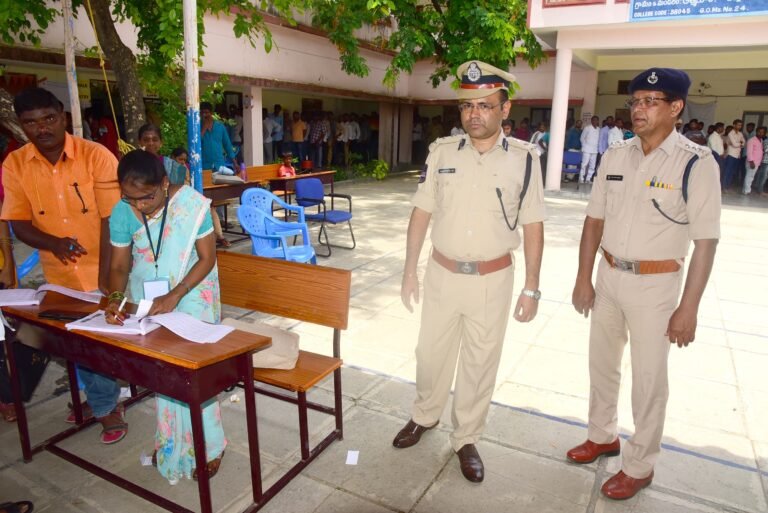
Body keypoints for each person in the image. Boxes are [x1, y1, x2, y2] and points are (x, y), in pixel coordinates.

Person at [568, 68, 720, 500]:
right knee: (602, 365)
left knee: (649, 380)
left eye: (651, 101)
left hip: (656, 287)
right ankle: (602, 436)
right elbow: (593, 220)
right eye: (635, 101)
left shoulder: (695, 162)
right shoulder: (616, 156)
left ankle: (640, 465)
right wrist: (583, 278)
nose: (639, 109)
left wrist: (688, 308)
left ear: (676, 108)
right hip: (609, 276)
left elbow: (706, 242)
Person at [394, 61, 545, 483]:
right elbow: (421, 212)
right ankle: (425, 416)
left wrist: (532, 287)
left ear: (504, 108)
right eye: (467, 106)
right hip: (442, 274)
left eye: (484, 105)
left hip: (493, 279)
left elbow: (533, 224)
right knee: (430, 354)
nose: (474, 114)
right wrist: (410, 270)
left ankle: (466, 438)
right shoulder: (442, 152)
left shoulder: (524, 159)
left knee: (480, 363)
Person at [1, 87, 126, 444]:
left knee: (97, 342)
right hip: (59, 275)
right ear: (22, 127)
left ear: (63, 117)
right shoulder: (16, 164)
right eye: (31, 123)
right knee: (74, 343)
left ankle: (104, 404)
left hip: (106, 266)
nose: (42, 128)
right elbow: (18, 221)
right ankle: (103, 400)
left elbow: (111, 219)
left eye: (49, 119)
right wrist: (53, 243)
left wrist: (106, 274)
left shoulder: (96, 155)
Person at [104, 149, 226, 484]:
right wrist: (115, 298)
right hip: (149, 298)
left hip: (192, 292)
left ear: (163, 183)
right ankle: (173, 442)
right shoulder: (124, 211)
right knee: (165, 374)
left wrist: (176, 294)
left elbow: (206, 259)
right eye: (131, 199)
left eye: (147, 197)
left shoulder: (192, 205)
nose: (140, 206)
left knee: (195, 372)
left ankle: (211, 446)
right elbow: (118, 265)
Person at [200, 101, 237, 173]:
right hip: (204, 165)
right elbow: (195, 145)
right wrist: (204, 128)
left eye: (206, 112)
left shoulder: (220, 126)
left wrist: (235, 163)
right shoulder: (197, 127)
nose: (204, 115)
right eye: (202, 113)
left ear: (211, 113)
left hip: (219, 164)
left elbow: (227, 145)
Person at [743, 126, 766, 195]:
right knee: (749, 176)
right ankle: (747, 191)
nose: (761, 133)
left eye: (763, 132)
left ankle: (746, 190)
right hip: (752, 162)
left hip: (757, 162)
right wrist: (751, 161)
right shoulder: (752, 140)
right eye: (759, 132)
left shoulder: (761, 140)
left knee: (751, 176)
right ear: (756, 132)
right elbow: (749, 152)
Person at [579, 116, 600, 183]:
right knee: (584, 164)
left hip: (595, 150)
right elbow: (582, 138)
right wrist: (584, 146)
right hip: (587, 149)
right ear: (591, 121)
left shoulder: (599, 129)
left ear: (598, 121)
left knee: (592, 165)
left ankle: (588, 179)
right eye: (594, 120)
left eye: (596, 120)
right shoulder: (587, 128)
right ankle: (581, 178)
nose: (595, 122)